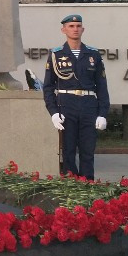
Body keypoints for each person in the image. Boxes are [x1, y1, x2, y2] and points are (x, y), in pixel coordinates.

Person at [41, 14, 109, 180]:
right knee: (68, 150)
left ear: (83, 29)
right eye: (71, 26)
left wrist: (102, 113)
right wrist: (53, 112)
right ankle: (70, 185)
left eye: (78, 26)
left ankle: (87, 185)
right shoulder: (56, 54)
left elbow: (102, 86)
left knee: (88, 150)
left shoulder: (93, 54)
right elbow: (48, 87)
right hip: (66, 105)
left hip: (88, 105)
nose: (75, 29)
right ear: (63, 30)